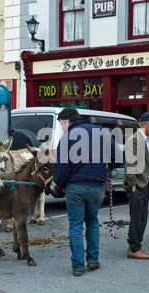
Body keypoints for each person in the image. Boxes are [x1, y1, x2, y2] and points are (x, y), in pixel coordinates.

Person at [53, 108, 122, 277]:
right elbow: (118, 157)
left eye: (61, 124)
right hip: (97, 186)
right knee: (92, 221)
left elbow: (62, 168)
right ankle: (93, 259)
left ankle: (78, 266)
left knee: (75, 225)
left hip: (75, 187)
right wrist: (109, 168)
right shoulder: (101, 132)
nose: (62, 127)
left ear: (67, 121)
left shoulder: (67, 137)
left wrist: (61, 185)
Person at [123, 112, 149, 259]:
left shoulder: (147, 139)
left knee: (142, 219)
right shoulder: (134, 140)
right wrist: (133, 185)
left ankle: (137, 246)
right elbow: (130, 164)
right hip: (137, 185)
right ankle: (133, 249)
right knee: (137, 218)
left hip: (144, 184)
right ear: (144, 124)